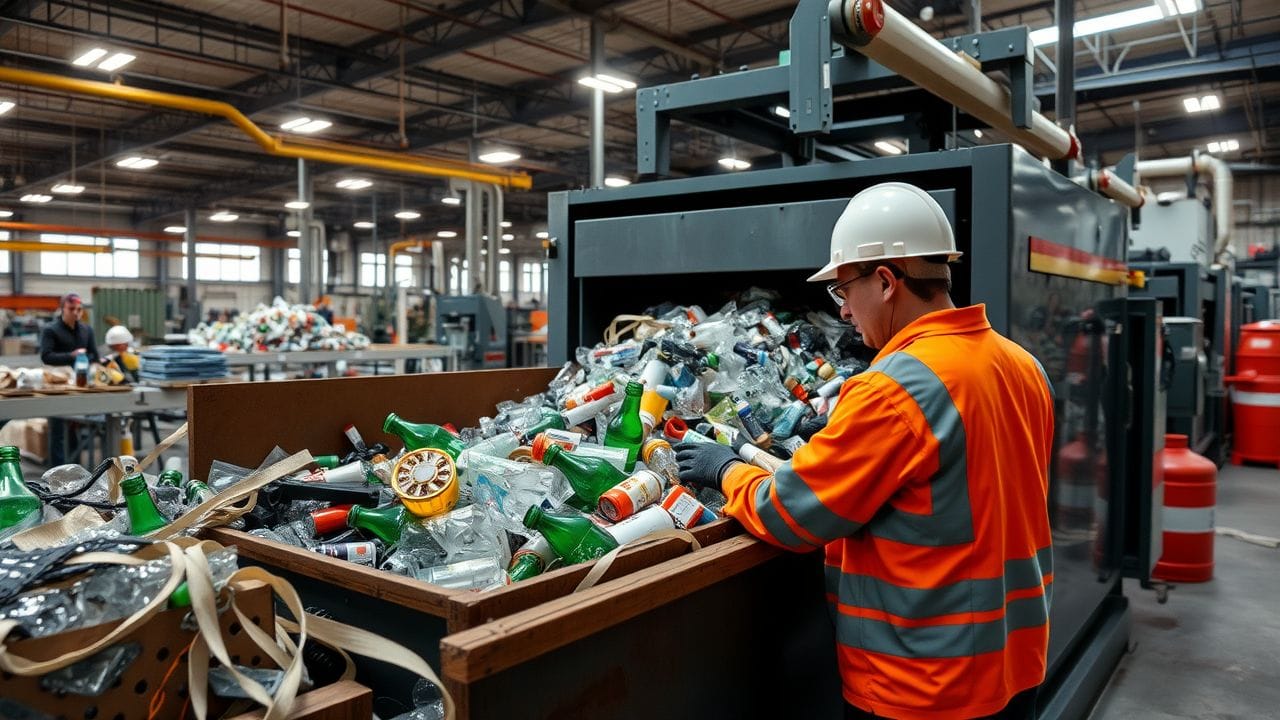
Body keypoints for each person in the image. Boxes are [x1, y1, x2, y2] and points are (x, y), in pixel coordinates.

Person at [675, 182, 1055, 720]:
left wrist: (729, 470)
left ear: (885, 281)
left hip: (925, 687)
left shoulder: (894, 388)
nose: (845, 312)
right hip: (1017, 664)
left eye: (843, 290)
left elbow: (790, 514)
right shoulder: (1023, 366)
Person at [39, 293, 101, 466]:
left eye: (79, 309)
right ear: (62, 309)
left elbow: (94, 355)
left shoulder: (86, 330)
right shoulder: (50, 330)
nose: (76, 313)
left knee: (77, 428)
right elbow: (46, 356)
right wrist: (72, 356)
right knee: (57, 430)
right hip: (58, 386)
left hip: (82, 384)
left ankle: (74, 470)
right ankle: (56, 472)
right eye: (72, 309)